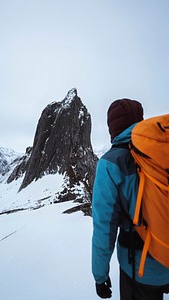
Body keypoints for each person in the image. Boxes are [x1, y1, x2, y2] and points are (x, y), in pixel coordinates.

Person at [91, 99, 169, 300]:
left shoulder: (110, 163)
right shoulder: (163, 151)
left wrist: (100, 276)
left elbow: (104, 227)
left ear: (112, 128)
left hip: (140, 268)